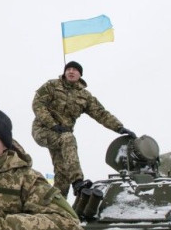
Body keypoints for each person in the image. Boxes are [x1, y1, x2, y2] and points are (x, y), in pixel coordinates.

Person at [32, 61, 137, 197]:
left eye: (75, 70)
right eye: (68, 69)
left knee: (63, 175)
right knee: (68, 138)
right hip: (43, 130)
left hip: (62, 137)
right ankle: (77, 181)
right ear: (64, 72)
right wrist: (52, 124)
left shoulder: (84, 96)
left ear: (80, 75)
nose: (71, 71)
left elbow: (100, 113)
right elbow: (37, 104)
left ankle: (57, 208)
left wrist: (120, 128)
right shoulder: (52, 85)